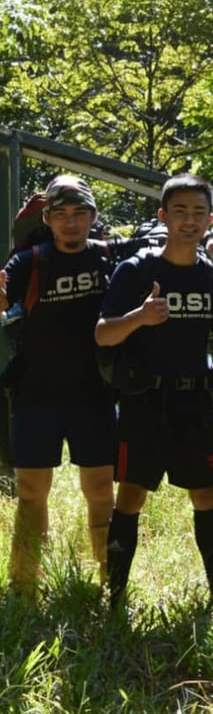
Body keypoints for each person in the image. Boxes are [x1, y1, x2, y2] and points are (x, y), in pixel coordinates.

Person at [95, 174, 213, 609]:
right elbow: (103, 335)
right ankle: (115, 597)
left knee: (206, 495)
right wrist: (139, 317)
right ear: (163, 216)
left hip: (195, 402)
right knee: (132, 496)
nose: (189, 221)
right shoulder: (137, 270)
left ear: (210, 219)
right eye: (180, 212)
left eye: (198, 213)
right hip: (145, 401)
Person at [0, 176, 118, 596]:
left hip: (95, 394)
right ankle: (24, 587)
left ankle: (111, 583)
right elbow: (3, 296)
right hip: (37, 394)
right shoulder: (29, 261)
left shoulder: (109, 256)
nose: (71, 223)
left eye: (79, 213)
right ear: (47, 219)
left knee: (101, 492)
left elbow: (166, 240)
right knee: (31, 492)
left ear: (93, 217)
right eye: (61, 215)